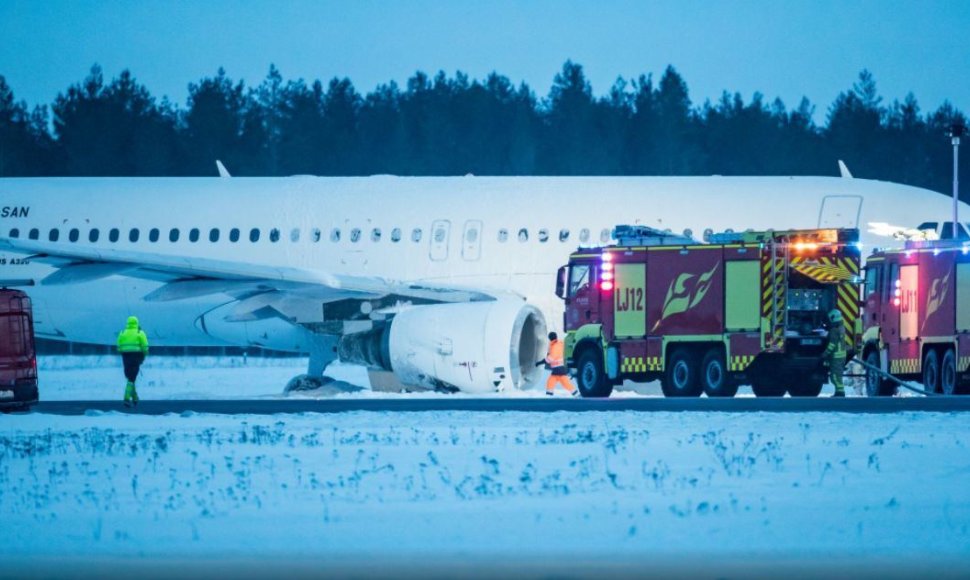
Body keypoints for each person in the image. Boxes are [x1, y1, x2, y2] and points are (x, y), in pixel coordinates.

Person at [117, 316, 149, 407]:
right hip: (136, 357)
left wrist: (124, 352)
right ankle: (126, 398)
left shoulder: (122, 333)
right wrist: (144, 355)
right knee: (132, 377)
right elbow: (145, 346)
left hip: (125, 357)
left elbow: (119, 346)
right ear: (137, 323)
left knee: (130, 377)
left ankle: (135, 398)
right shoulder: (139, 332)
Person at [544, 332, 579, 397]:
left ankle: (549, 395)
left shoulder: (555, 346)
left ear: (550, 338)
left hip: (559, 368)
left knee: (563, 382)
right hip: (558, 368)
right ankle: (549, 394)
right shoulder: (558, 344)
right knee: (555, 381)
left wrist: (542, 361)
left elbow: (552, 357)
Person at [823, 309, 846, 398]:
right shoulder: (841, 328)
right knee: (836, 375)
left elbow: (832, 344)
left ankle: (840, 392)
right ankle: (839, 392)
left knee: (835, 376)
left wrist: (825, 354)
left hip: (836, 357)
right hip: (840, 356)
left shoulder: (834, 331)